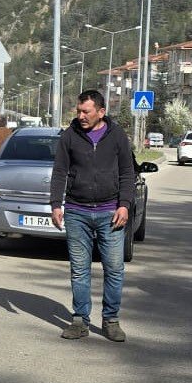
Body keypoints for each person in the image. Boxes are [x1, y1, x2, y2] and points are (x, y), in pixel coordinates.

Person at [50, 89, 137, 343]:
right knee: (79, 270)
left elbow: (127, 173)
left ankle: (111, 320)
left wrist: (125, 205)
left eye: (86, 111)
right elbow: (59, 172)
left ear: (101, 112)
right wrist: (56, 203)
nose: (81, 116)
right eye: (78, 111)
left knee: (114, 269)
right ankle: (79, 320)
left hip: (111, 212)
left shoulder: (118, 136)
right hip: (77, 212)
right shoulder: (70, 136)